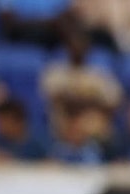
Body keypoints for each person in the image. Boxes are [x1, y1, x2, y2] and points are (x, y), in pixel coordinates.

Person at [40, 30, 124, 162]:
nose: (77, 48)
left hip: (94, 135)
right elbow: (56, 98)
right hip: (63, 131)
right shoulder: (56, 72)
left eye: (81, 44)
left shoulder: (98, 74)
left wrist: (79, 101)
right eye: (74, 44)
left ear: (88, 48)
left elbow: (113, 101)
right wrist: (90, 100)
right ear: (68, 47)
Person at [0, 97, 48, 161]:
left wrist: (11, 159)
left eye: (5, 122)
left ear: (19, 121)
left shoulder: (37, 141)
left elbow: (49, 161)